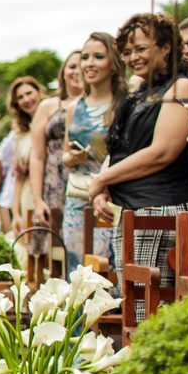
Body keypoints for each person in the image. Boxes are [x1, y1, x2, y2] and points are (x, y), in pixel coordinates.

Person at [90, 13, 188, 319]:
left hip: (158, 211)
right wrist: (103, 187)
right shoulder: (137, 92)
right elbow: (119, 148)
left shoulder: (182, 87)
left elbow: (162, 151)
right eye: (128, 51)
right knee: (133, 306)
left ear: (165, 47)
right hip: (130, 211)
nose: (133, 57)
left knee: (148, 312)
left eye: (142, 49)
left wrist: (102, 179)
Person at [61, 32, 128, 273]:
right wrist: (73, 157)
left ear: (113, 63)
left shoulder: (125, 105)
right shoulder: (73, 108)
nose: (89, 63)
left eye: (98, 57)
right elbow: (65, 157)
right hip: (77, 197)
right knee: (76, 266)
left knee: (105, 266)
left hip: (111, 196)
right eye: (86, 57)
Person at [27, 52, 83, 255]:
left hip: (85, 176)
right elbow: (37, 156)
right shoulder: (48, 106)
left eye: (81, 65)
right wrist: (37, 198)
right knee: (54, 247)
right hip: (55, 180)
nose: (76, 71)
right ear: (63, 72)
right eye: (72, 66)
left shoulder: (97, 105)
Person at [7, 76, 45, 235]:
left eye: (29, 93)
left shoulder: (55, 125)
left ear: (39, 92)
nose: (26, 99)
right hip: (29, 198)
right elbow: (19, 177)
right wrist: (16, 214)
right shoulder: (20, 135)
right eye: (20, 97)